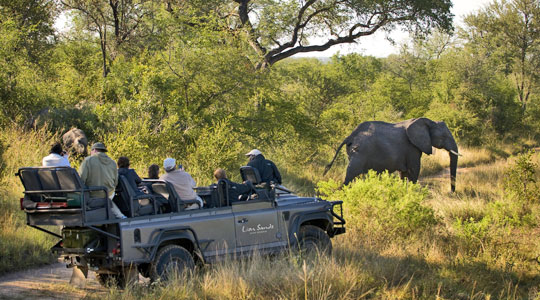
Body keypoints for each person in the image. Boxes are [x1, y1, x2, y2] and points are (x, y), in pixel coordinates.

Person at [79, 142, 125, 219]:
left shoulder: (88, 161)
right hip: (109, 193)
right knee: (108, 199)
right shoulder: (113, 162)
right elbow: (116, 182)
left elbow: (81, 179)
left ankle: (120, 216)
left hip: (93, 194)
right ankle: (120, 216)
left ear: (94, 150)